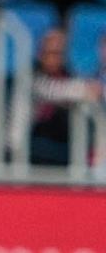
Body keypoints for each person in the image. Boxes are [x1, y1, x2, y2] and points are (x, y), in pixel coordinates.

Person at [29, 26, 98, 167]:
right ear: (40, 53)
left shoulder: (69, 75)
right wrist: (84, 90)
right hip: (27, 146)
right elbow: (48, 90)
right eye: (50, 53)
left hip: (62, 146)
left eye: (60, 53)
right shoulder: (29, 76)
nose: (55, 59)